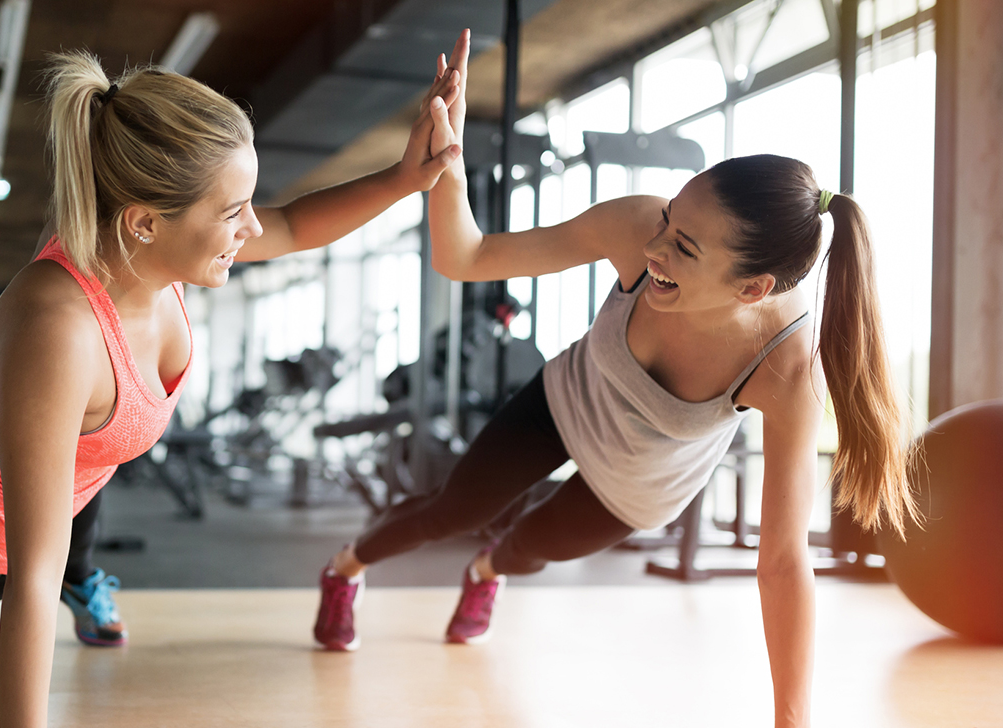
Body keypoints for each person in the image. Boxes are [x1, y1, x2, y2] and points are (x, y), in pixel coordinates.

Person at [313, 31, 918, 728]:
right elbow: (467, 255)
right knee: (454, 509)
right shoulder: (636, 228)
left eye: (683, 249)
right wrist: (446, 160)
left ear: (752, 290)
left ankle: (486, 574)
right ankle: (346, 567)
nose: (655, 247)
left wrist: (793, 720)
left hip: (639, 486)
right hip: (565, 402)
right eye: (669, 221)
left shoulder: (786, 369)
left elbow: (783, 563)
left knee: (525, 549)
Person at [0, 46, 464, 727]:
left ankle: (74, 553)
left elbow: (296, 225)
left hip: (59, 444)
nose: (254, 227)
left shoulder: (151, 247)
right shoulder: (59, 332)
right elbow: (31, 582)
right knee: (17, 569)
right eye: (234, 210)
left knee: (79, 496)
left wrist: (406, 178)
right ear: (144, 221)